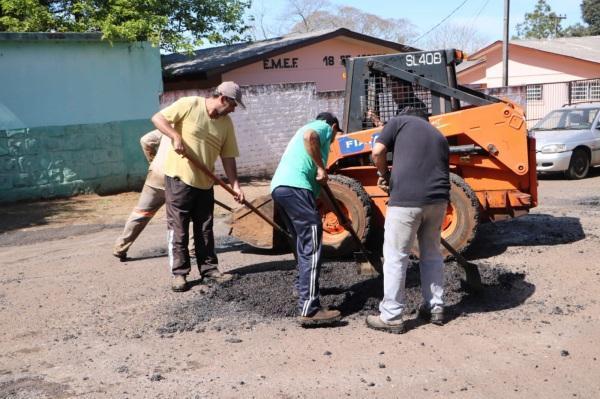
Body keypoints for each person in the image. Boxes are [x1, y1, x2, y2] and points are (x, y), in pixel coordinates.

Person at [151, 81, 246, 292]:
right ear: (223, 99)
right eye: (233, 104)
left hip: (205, 182)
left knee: (205, 229)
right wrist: (175, 136)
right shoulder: (190, 104)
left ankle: (210, 270)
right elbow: (157, 118)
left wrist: (236, 185)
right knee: (179, 228)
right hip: (179, 178)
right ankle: (180, 273)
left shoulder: (226, 123)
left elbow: (228, 156)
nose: (234, 109)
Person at [366, 107, 450, 334]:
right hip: (439, 200)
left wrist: (385, 175)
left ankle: (392, 315)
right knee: (432, 254)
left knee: (396, 256)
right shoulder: (439, 135)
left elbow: (377, 151)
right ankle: (435, 307)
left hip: (406, 201)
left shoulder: (399, 121)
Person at [270, 112, 343, 326]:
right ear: (334, 125)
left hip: (281, 188)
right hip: (295, 188)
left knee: (301, 244)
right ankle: (309, 310)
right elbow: (310, 136)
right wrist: (321, 167)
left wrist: (340, 216)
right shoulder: (321, 127)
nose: (333, 139)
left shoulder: (304, 150)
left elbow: (320, 191)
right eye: (336, 133)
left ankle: (300, 288)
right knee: (311, 245)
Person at [112, 130, 169, 260]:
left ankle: (120, 247)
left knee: (141, 213)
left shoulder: (169, 124)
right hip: (180, 178)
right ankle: (193, 249)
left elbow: (146, 140)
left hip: (156, 175)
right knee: (189, 214)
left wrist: (153, 162)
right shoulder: (200, 125)